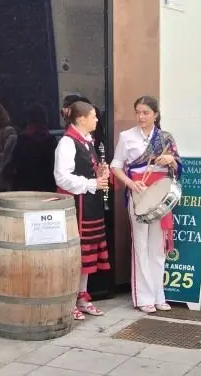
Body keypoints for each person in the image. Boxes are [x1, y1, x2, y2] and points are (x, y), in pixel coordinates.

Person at [110, 96, 181, 313]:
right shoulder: (126, 137)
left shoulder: (166, 138)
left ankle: (159, 294)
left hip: (159, 194)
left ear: (155, 115)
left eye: (146, 113)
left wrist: (171, 160)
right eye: (138, 112)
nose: (141, 117)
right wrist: (130, 183)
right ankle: (143, 297)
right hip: (138, 193)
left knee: (157, 248)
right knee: (140, 245)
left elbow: (178, 165)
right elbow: (116, 165)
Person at [54, 101, 112, 320]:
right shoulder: (68, 143)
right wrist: (91, 184)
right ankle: (69, 301)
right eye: (94, 116)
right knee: (76, 253)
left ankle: (82, 297)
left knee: (87, 253)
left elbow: (87, 170)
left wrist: (99, 172)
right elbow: (61, 177)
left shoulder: (86, 141)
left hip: (90, 205)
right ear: (81, 119)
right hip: (76, 207)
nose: (97, 120)